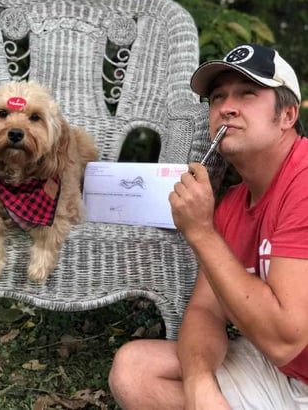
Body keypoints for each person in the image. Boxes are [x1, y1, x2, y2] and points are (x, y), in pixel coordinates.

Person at [108, 43, 308, 409]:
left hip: (287, 355)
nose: (227, 107)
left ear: (288, 115)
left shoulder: (304, 181)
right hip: (285, 371)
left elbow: (286, 339)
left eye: (248, 93)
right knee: (134, 370)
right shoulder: (231, 203)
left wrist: (200, 232)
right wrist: (200, 386)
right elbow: (204, 311)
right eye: (217, 97)